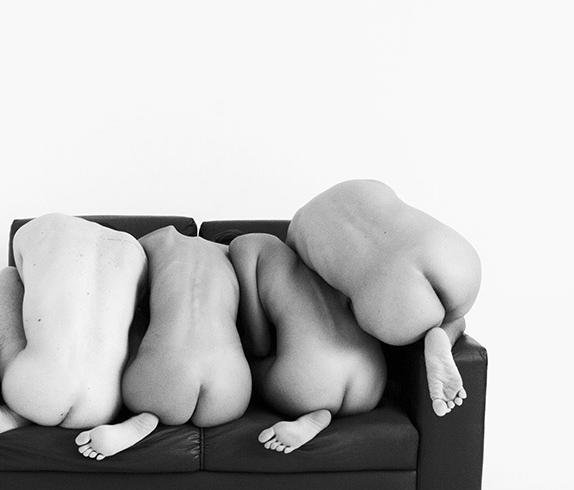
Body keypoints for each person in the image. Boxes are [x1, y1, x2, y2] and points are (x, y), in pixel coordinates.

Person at [286, 179, 482, 416]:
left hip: (393, 298)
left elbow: (325, 307)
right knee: (455, 314)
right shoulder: (359, 184)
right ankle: (443, 335)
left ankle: (433, 332)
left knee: (421, 316)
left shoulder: (295, 237)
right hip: (451, 255)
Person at [76, 225, 252, 460]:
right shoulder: (236, 255)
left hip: (161, 381)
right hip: (232, 394)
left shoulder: (162, 237)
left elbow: (119, 286)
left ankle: (148, 417)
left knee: (135, 319)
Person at [0, 213, 148, 437]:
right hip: (103, 406)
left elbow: (25, 285)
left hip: (35, 389)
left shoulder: (36, 228)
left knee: (6, 277)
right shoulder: (135, 251)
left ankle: (17, 413)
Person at [228, 232, 386, 454]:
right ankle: (320, 413)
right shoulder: (312, 250)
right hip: (370, 383)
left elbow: (258, 344)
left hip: (308, 383)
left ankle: (315, 413)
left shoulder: (244, 246)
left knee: (242, 366)